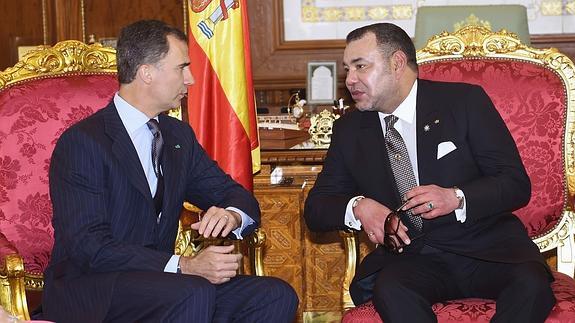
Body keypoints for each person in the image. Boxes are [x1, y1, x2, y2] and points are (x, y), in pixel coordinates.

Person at [42, 19, 298, 323]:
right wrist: (184, 265)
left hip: (165, 284)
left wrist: (231, 214)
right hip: (94, 288)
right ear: (146, 72)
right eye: (182, 67)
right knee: (192, 291)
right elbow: (90, 248)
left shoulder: (177, 136)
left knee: (274, 295)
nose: (190, 79)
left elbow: (236, 195)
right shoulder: (84, 142)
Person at [304, 22, 555, 323]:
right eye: (347, 69)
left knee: (530, 286)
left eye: (361, 66)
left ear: (397, 63)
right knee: (392, 290)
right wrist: (360, 207)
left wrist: (456, 198)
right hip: (414, 259)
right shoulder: (350, 129)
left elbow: (515, 184)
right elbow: (316, 209)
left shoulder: (464, 102)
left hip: (486, 248)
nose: (351, 79)